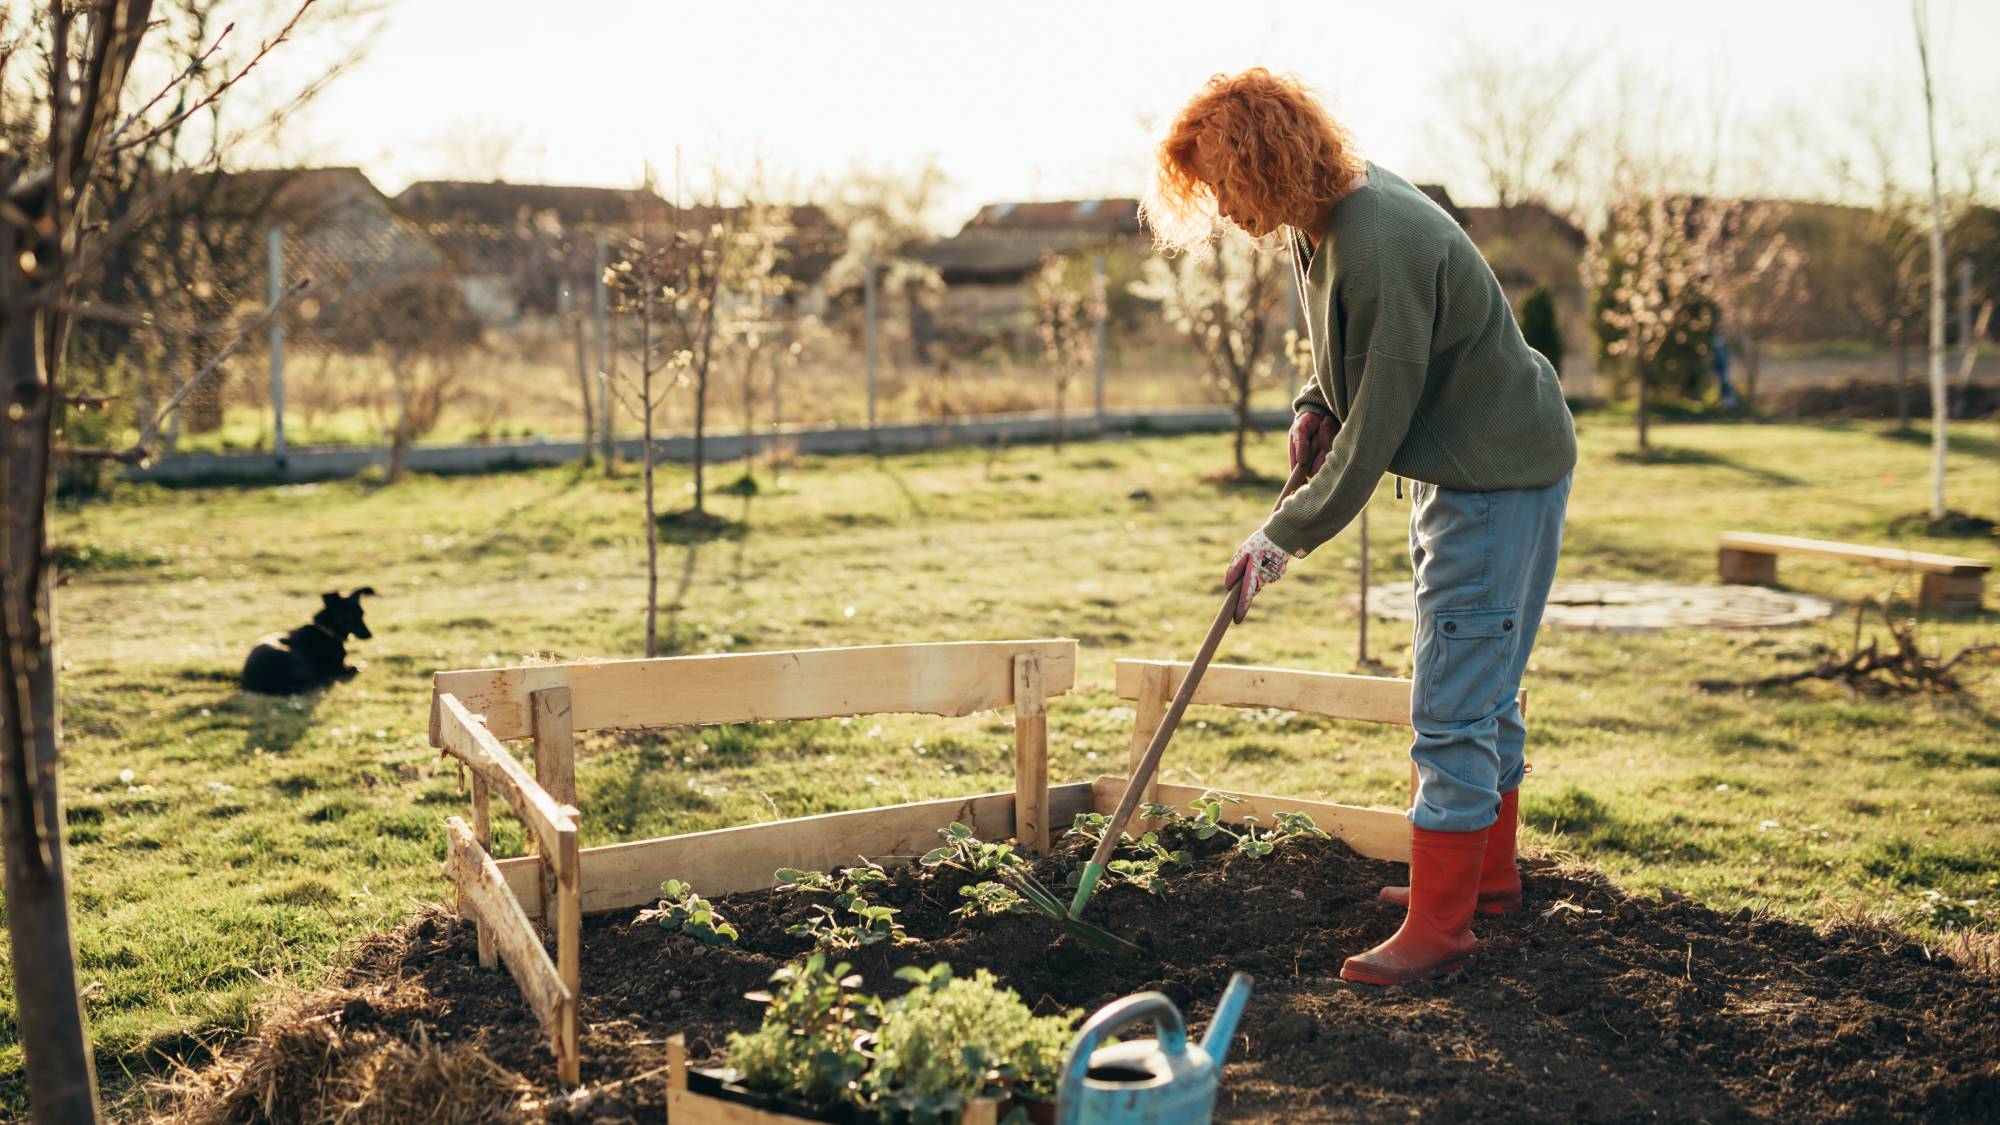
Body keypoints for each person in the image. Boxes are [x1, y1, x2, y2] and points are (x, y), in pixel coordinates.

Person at [1142, 69, 1578, 985]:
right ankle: (1481, 883)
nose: (1222, 209)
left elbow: (1378, 421)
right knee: (1478, 682)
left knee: (1452, 702)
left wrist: (1280, 538)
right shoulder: (1327, 220)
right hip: (1466, 465)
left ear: (1266, 161)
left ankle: (1441, 927)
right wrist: (1313, 400)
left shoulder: (1376, 237)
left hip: (1494, 478)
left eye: (1225, 185)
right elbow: (1344, 354)